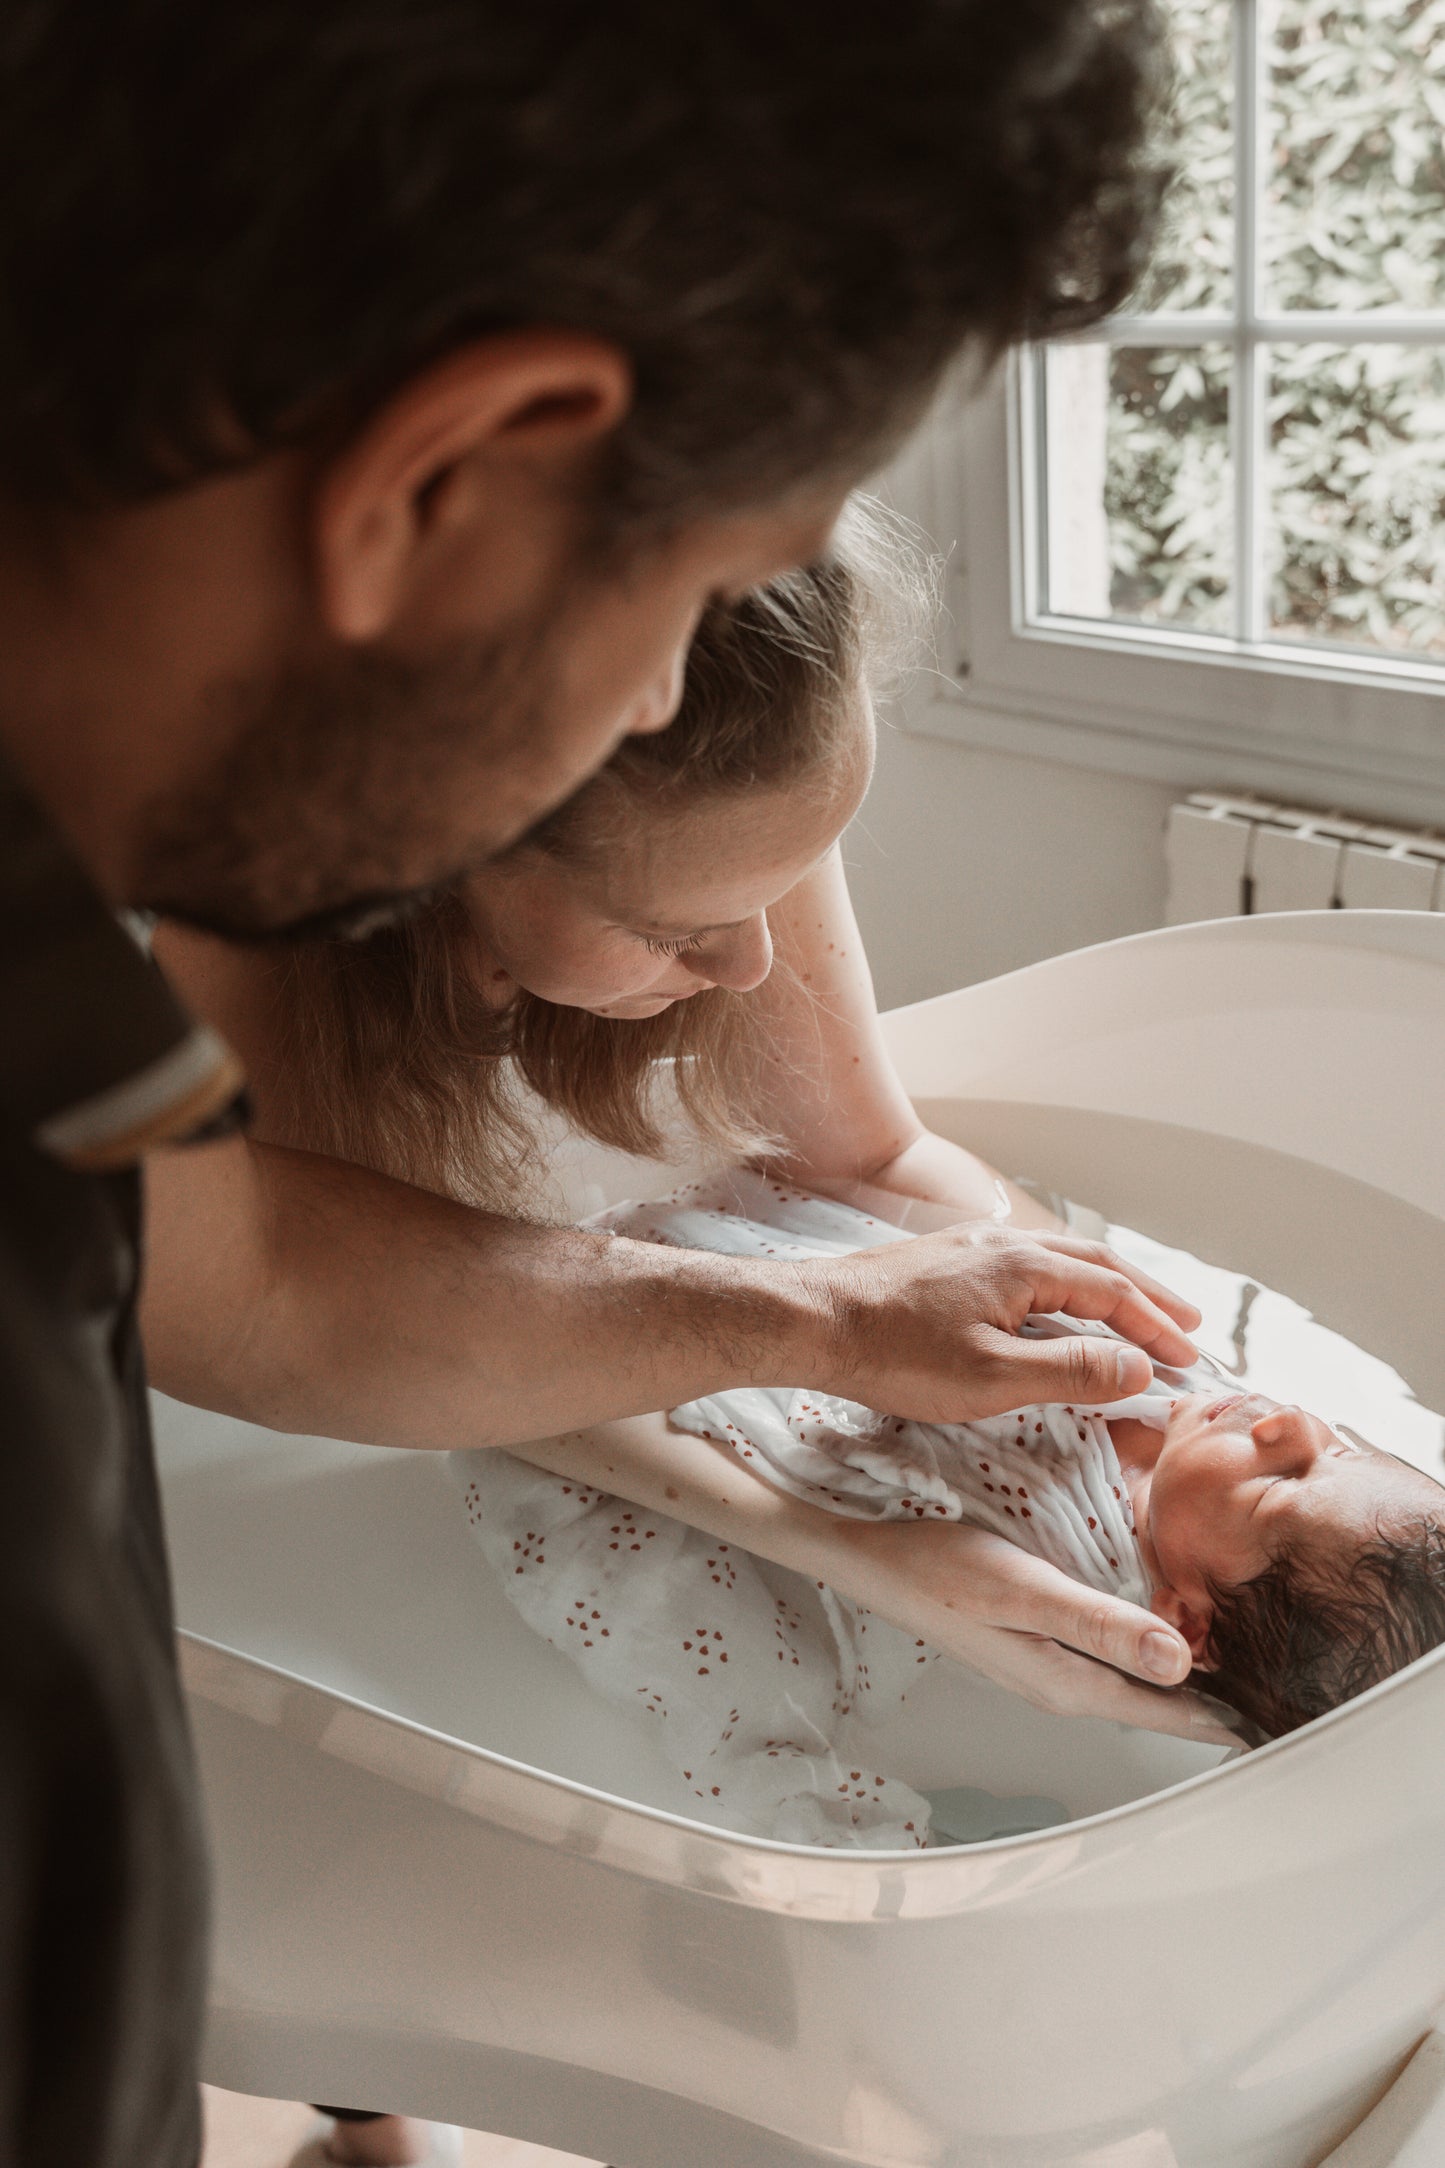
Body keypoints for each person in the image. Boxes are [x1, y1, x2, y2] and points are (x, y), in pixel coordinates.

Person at [0, 3, 1176, 2161]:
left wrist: (839, 1329)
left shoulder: (78, 990)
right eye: (693, 590)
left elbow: (255, 1280)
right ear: (454, 474)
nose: (665, 698)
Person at [457, 1176, 1445, 1847]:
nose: (1288, 1423)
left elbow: (838, 1475)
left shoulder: (1062, 1574)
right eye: (1340, 1446)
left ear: (1185, 1622)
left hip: (663, 1431)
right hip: (735, 1286)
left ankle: (836, 1832)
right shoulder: (1199, 1406)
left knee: (728, 1668)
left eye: (1280, 1485)